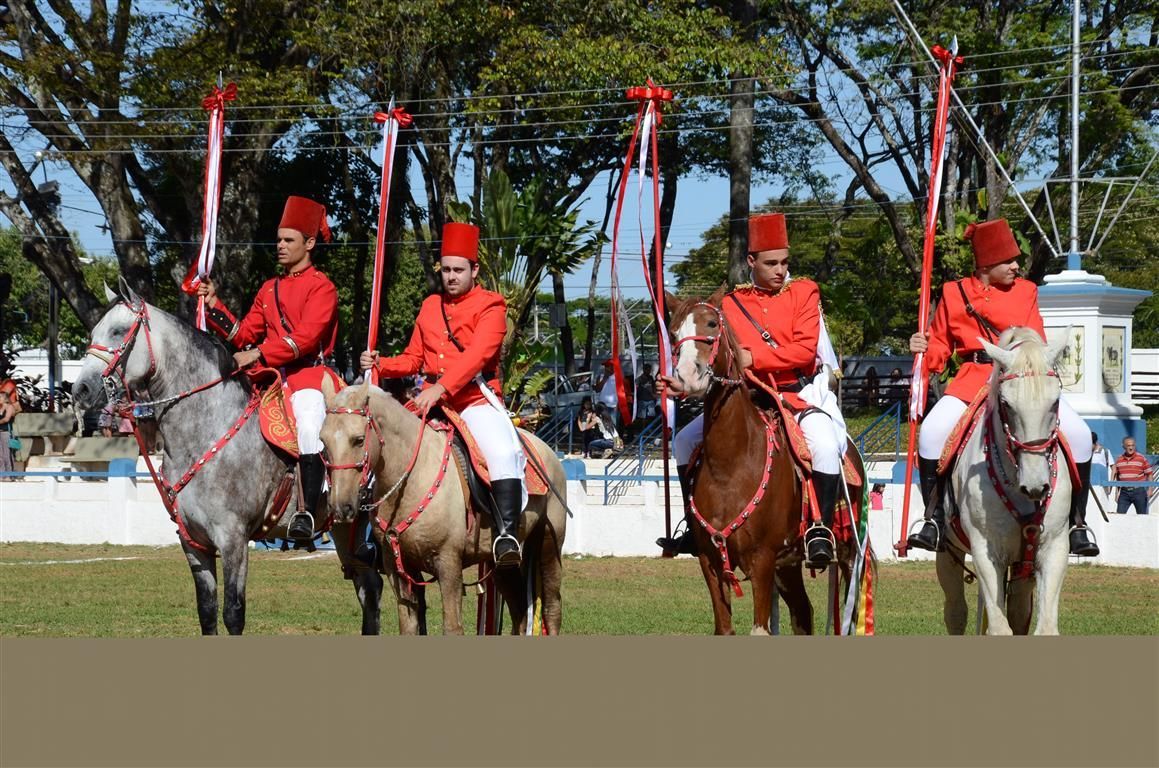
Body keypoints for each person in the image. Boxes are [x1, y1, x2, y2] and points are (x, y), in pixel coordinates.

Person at [657, 211, 847, 568]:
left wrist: (751, 356)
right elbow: (716, 364)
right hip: (746, 399)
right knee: (683, 441)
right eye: (771, 263)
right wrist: (681, 387)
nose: (780, 270)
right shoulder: (731, 304)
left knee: (822, 441)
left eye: (785, 262)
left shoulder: (804, 292)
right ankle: (693, 526)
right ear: (751, 261)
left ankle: (820, 529)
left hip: (794, 396)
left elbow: (804, 350)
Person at [906, 218, 1098, 556]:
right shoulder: (954, 292)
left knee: (1081, 436)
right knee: (932, 433)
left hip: (1021, 381)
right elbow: (940, 347)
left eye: (1015, 260)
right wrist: (923, 350)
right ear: (985, 264)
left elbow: (1035, 340)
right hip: (973, 378)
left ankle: (1077, 524)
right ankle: (933, 518)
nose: (1016, 266)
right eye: (1008, 261)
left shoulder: (1026, 291)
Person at [360, 222, 527, 568]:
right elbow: (414, 358)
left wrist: (440, 388)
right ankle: (372, 538)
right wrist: (381, 363)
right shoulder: (429, 306)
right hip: (430, 400)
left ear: (474, 270)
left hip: (474, 399)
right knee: (382, 448)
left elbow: (476, 356)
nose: (451, 276)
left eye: (458, 270)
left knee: (501, 450)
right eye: (446, 269)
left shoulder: (492, 306)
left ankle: (507, 534)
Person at [199, 195, 340, 542]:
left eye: (288, 240)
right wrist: (215, 305)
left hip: (308, 377)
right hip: (271, 379)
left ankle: (307, 512)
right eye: (278, 239)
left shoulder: (323, 287)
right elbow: (244, 333)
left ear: (308, 244)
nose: (280, 245)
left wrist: (258, 353)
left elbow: (305, 339)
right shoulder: (269, 288)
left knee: (308, 427)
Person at [1112, 437, 1151, 515]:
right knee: (1119, 516)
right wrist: (1117, 493)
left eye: (1133, 445)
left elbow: (1149, 473)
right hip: (1124, 492)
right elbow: (1118, 478)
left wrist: (1150, 489)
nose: (1131, 448)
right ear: (1123, 446)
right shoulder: (1119, 460)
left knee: (1142, 517)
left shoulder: (1141, 458)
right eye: (1128, 446)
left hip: (1139, 491)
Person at [0, 376, 21, 480]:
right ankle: (2, 474)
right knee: (0, 455)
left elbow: (6, 419)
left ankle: (10, 475)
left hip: (5, 432)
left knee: (7, 454)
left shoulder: (9, 407)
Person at [1091, 431, 1113, 505]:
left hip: (1102, 486)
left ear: (1095, 442)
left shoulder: (1105, 451)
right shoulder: (1086, 452)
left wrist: (1110, 485)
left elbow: (1114, 468)